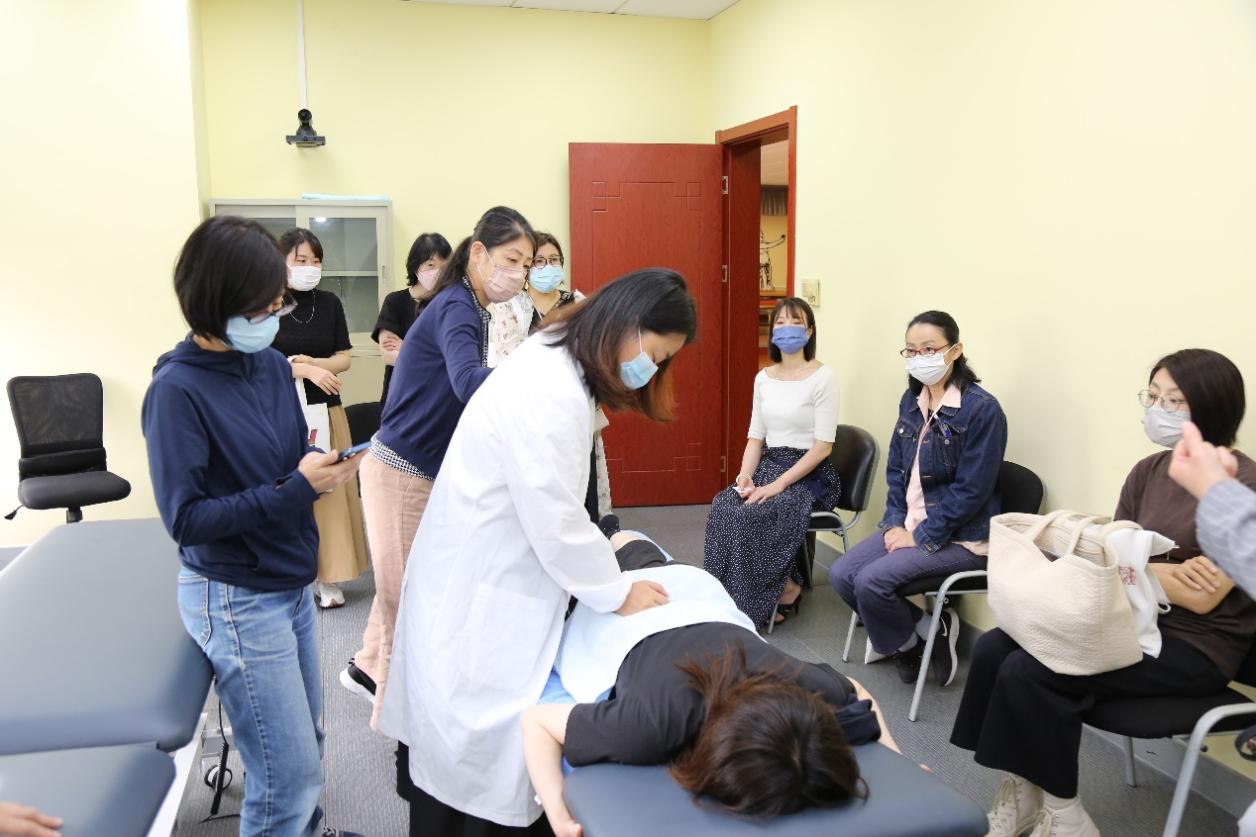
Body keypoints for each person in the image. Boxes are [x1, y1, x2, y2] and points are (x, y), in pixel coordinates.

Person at [378, 268, 697, 836]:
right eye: (655, 355)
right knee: (475, 760)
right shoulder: (552, 388)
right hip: (483, 589)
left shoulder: (558, 357)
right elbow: (558, 519)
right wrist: (616, 590)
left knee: (468, 760)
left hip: (485, 568)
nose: (651, 370)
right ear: (625, 324)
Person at [952, 348, 1256, 837]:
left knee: (1032, 670)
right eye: (1152, 397)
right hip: (1131, 619)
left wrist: (1141, 569)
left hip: (1196, 645)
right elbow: (1109, 559)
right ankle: (1026, 791)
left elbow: (1202, 599)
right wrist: (1161, 573)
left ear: (1213, 407)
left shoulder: (1242, 484)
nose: (1158, 410)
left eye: (1174, 401)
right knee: (992, 647)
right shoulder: (1149, 471)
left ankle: (1065, 814)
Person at [141, 215, 364, 837]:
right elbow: (188, 520)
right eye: (263, 306)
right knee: (284, 772)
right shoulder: (176, 390)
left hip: (289, 575)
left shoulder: (268, 365)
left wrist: (318, 467)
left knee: (306, 742)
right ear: (216, 301)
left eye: (277, 303)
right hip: (235, 593)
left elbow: (287, 456)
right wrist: (297, 488)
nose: (273, 315)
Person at [521, 530, 893, 837]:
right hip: (647, 599)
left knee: (625, 548)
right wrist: (557, 811)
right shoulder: (651, 725)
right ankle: (613, 532)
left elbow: (855, 689)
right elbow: (536, 722)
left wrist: (899, 759)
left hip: (699, 600)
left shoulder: (804, 689)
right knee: (620, 542)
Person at [345, 207, 535, 727]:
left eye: (525, 264)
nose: (518, 273)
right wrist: (535, 373)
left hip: (419, 470)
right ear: (478, 252)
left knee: (409, 585)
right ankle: (400, 722)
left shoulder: (472, 306)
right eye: (511, 259)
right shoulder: (458, 306)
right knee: (407, 603)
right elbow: (468, 383)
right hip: (401, 472)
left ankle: (367, 667)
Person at [830, 310, 1006, 684]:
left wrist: (920, 536)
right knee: (842, 574)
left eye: (928, 349)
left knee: (871, 582)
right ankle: (922, 634)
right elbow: (897, 471)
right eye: (911, 350)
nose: (918, 357)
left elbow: (971, 491)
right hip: (911, 523)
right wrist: (896, 522)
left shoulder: (982, 409)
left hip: (963, 537)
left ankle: (909, 645)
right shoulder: (911, 401)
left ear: (955, 350)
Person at [703, 297, 839, 627]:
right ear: (772, 330)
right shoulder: (763, 378)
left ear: (809, 331)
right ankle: (728, 601)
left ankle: (784, 591)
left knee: (754, 513)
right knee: (724, 505)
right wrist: (745, 477)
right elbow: (755, 438)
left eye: (796, 322)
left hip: (810, 474)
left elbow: (823, 447)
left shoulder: (823, 377)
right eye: (780, 322)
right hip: (770, 464)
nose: (787, 328)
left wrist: (777, 485)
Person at [271, 227, 369, 609]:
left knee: (329, 494)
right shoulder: (267, 303)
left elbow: (344, 358)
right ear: (281, 263)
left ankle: (327, 577)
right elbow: (258, 361)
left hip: (326, 411)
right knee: (286, 491)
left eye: (315, 260)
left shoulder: (328, 303)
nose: (310, 267)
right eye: (301, 260)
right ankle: (289, 575)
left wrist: (313, 364)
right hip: (280, 412)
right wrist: (302, 369)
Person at [487, 231, 612, 521]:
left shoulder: (580, 304)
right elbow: (510, 361)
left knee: (580, 504)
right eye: (539, 261)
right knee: (537, 510)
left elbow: (595, 358)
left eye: (554, 260)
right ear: (527, 268)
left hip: (575, 418)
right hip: (531, 423)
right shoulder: (509, 307)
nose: (548, 267)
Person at [375, 232, 452, 405]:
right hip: (401, 396)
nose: (438, 272)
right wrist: (433, 358)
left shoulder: (449, 305)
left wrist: (406, 348)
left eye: (445, 266)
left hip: (438, 397)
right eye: (431, 265)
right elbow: (388, 355)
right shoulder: (395, 301)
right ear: (416, 266)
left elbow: (453, 358)